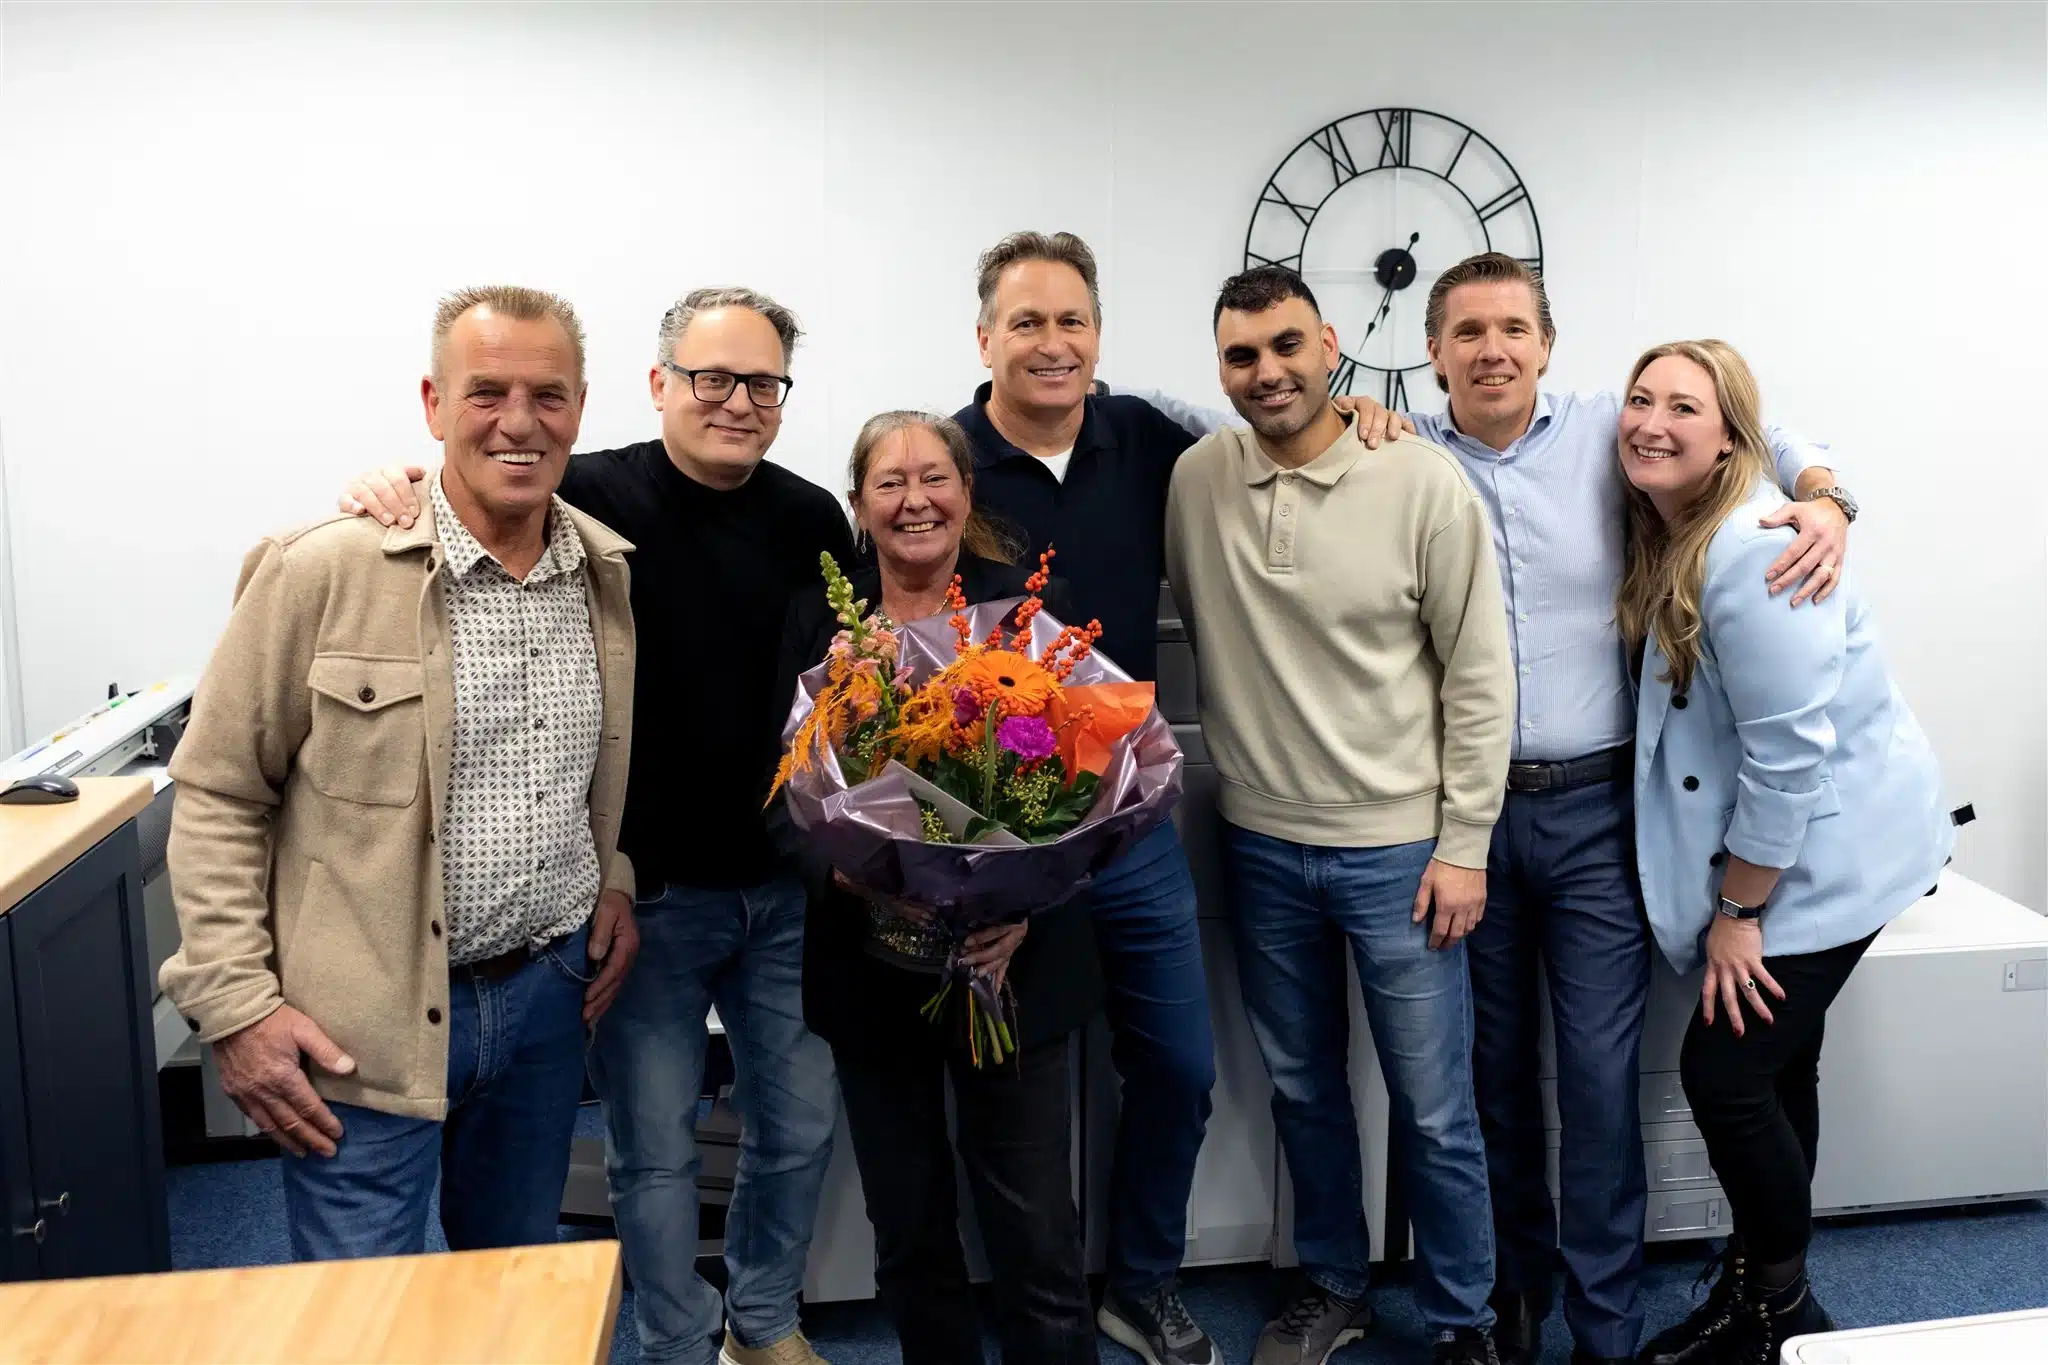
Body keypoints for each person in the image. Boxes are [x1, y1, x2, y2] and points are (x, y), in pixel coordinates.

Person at [1319, 253, 1852, 1365]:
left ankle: (1606, 1325)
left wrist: (1824, 498)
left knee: (1601, 1086)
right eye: (1468, 332)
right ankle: (1513, 1297)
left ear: (1546, 345)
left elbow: (1757, 428)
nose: (1492, 350)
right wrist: (1353, 408)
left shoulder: (1615, 429)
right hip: (1465, 824)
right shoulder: (1400, 453)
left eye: (1513, 329)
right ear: (1433, 352)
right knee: (1493, 1079)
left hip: (1602, 818)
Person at [340, 288, 849, 1365]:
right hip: (642, 899)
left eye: (763, 383)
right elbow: (477, 480)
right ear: (660, 384)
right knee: (653, 1149)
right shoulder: (591, 495)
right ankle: (676, 1338)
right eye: (712, 377)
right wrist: (394, 485)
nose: (737, 401)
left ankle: (762, 1322)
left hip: (782, 888)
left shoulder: (813, 521)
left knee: (801, 1126)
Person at [160, 285, 640, 1260]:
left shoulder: (603, 575)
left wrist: (613, 877)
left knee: (508, 1292)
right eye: (486, 392)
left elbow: (589, 772)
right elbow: (218, 793)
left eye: (548, 395)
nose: (519, 421)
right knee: (363, 1311)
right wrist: (236, 1008)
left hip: (546, 1000)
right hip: (360, 1020)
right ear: (433, 403)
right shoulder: (322, 571)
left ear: (580, 409)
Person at [1167, 264, 1513, 1365]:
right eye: (1241, 355)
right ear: (1220, 369)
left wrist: (1465, 845)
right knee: (1303, 1089)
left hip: (1401, 852)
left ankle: (1461, 1318)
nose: (1266, 372)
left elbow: (1479, 675)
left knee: (1434, 1107)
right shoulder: (1195, 479)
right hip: (1260, 842)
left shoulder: (1418, 480)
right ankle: (1332, 1283)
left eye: (1286, 346)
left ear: (1329, 346)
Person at [1615, 340, 1950, 1365]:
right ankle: (1760, 1279)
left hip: (1826, 852)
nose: (1651, 422)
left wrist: (1737, 913)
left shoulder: (1757, 554)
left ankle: (1778, 1304)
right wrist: (1826, 490)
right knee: (1775, 1061)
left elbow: (1786, 757)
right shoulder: (1714, 504)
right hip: (1794, 848)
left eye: (1684, 406)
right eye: (1639, 399)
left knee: (1722, 1074)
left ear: (1727, 441)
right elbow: (1788, 434)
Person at [775, 410, 1102, 1365]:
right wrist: (842, 865)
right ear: (858, 504)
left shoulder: (1030, 610)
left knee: (1037, 1232)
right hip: (871, 971)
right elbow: (776, 790)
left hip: (1012, 969)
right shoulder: (819, 621)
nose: (914, 500)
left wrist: (1026, 903)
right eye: (890, 482)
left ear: (966, 494)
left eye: (935, 479)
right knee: (910, 1231)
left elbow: (1089, 788)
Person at [953, 231, 1224, 1365]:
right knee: (1019, 1096)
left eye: (1071, 320)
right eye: (1027, 322)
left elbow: (1281, 439)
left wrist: (1367, 417)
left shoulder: (1150, 440)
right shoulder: (948, 463)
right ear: (985, 339)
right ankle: (1039, 1307)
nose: (1051, 343)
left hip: (1133, 828)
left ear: (1099, 336)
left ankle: (1142, 1283)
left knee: (1178, 1067)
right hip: (1005, 835)